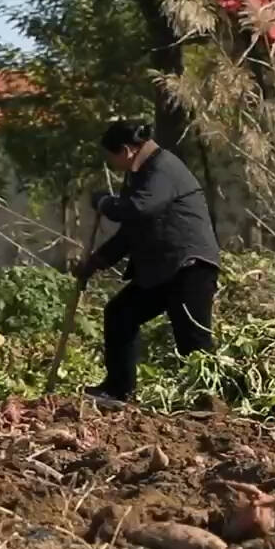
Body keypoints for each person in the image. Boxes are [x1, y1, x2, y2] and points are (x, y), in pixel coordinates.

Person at [76, 120, 221, 404]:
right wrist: (96, 263)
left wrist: (105, 203)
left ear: (127, 150)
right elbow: (131, 232)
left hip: (189, 266)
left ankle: (209, 402)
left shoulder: (163, 168)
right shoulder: (140, 176)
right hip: (163, 270)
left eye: (113, 157)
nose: (113, 164)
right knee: (120, 314)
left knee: (192, 340)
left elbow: (139, 210)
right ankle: (118, 390)